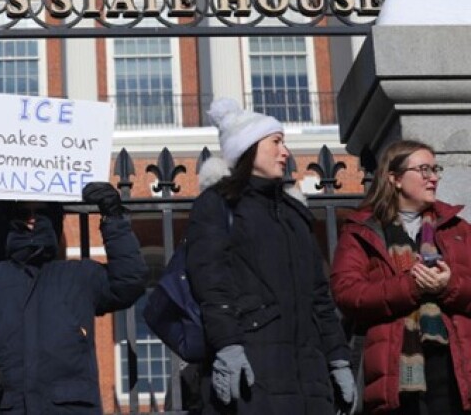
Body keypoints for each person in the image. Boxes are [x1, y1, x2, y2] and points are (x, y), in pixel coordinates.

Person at [185, 98, 354, 414]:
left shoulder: (295, 213)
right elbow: (210, 283)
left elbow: (320, 296)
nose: (285, 152)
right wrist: (228, 346)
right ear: (248, 148)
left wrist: (338, 358)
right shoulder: (219, 204)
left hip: (309, 375)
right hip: (253, 368)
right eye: (276, 142)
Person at [0, 182, 147, 414]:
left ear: (54, 217)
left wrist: (113, 216)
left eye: (42, 212)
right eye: (23, 213)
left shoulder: (79, 276)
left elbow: (129, 281)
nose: (32, 220)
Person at [331, 139, 471, 414]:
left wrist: (447, 286)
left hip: (455, 370)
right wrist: (410, 286)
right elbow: (346, 293)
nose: (434, 178)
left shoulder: (458, 229)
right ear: (394, 179)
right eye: (423, 170)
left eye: (435, 169)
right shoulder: (363, 231)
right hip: (393, 374)